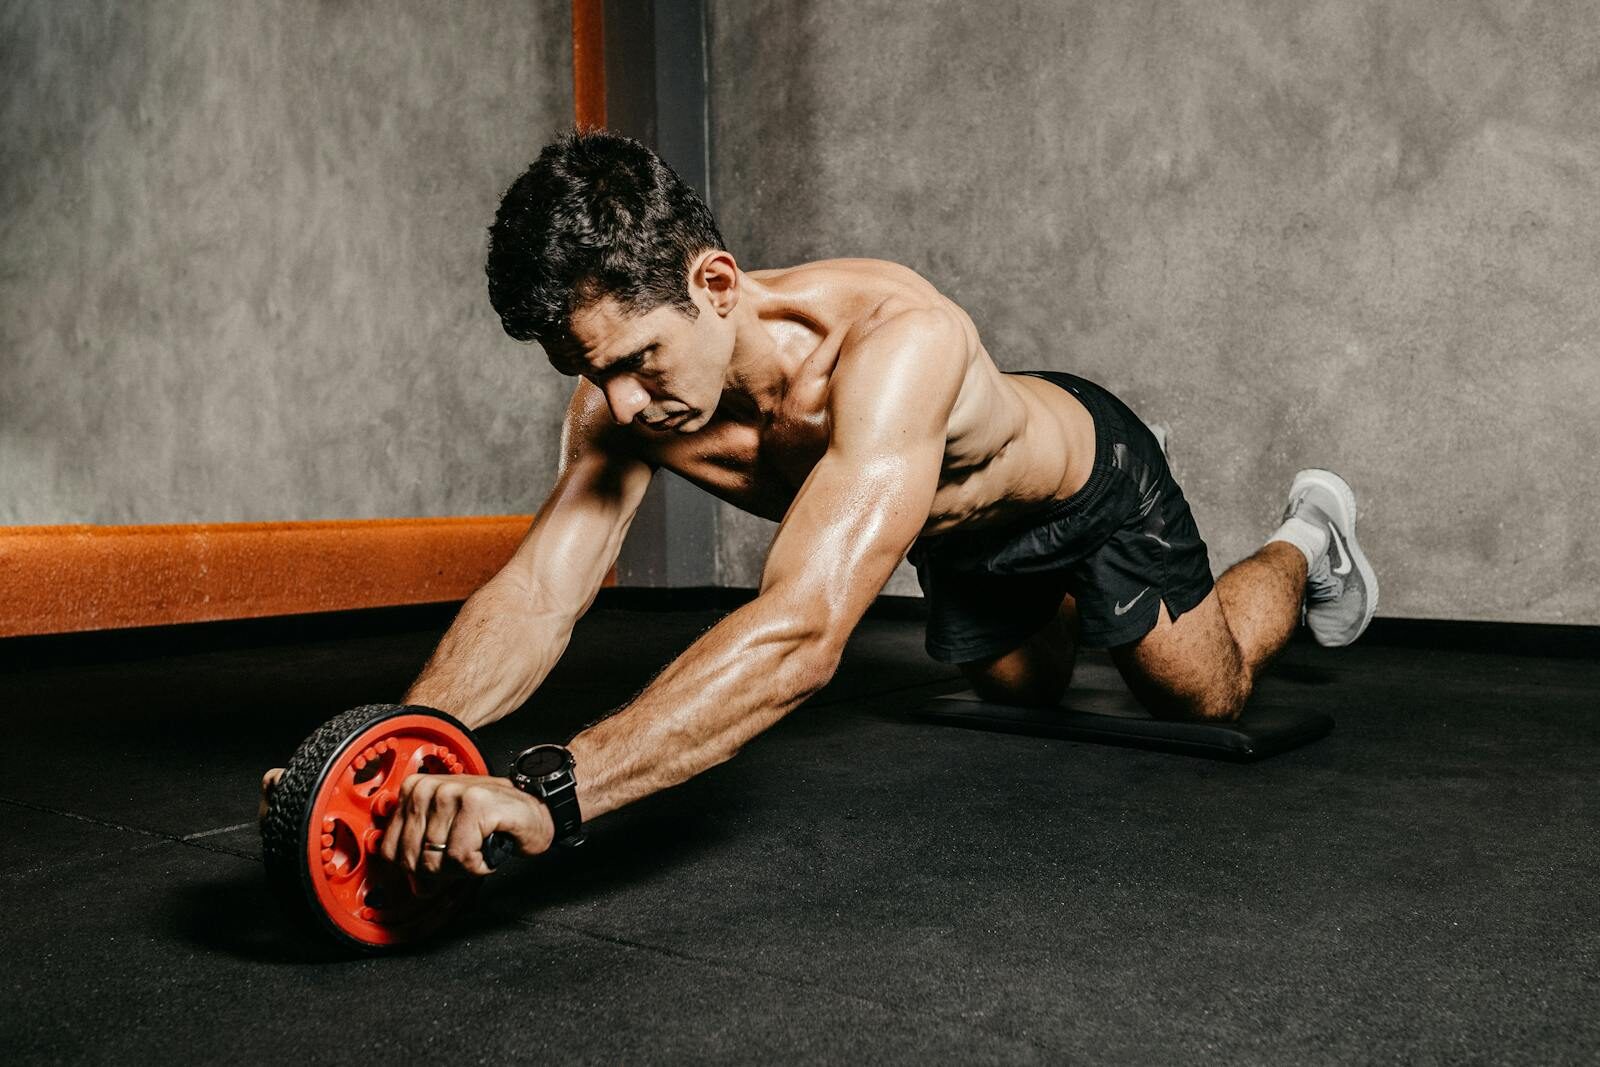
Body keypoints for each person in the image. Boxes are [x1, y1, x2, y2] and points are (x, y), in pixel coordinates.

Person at [259, 129, 1377, 878]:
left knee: (1204, 693)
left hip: (1088, 486)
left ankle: (1305, 535)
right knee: (1026, 687)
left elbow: (800, 631)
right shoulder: (619, 404)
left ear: (714, 282)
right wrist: (393, 747)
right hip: (957, 537)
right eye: (587, 372)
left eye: (641, 360)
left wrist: (555, 787)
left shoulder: (893, 344)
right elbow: (541, 593)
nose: (619, 402)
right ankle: (1073, 590)